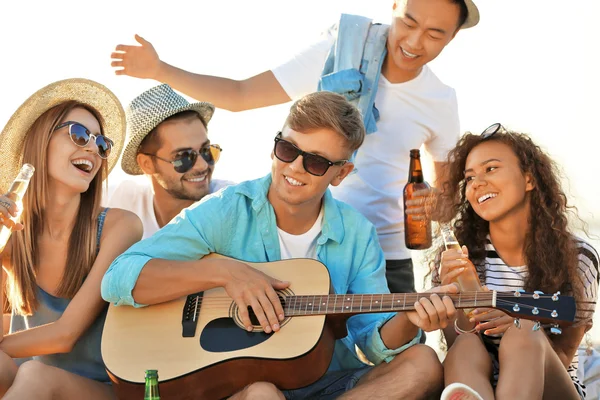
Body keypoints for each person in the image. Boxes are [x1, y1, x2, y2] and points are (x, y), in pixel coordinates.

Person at [102, 91, 461, 399]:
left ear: (341, 173)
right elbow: (118, 278)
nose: (296, 167)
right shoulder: (227, 209)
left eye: (317, 162)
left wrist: (410, 319)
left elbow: (372, 340)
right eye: (288, 149)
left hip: (334, 383)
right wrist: (223, 271)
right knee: (262, 394)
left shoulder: (357, 233)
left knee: (423, 363)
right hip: (248, 386)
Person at [109, 0, 480, 294]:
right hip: (301, 245)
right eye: (410, 23)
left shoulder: (441, 101)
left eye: (434, 34)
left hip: (385, 255)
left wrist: (433, 203)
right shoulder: (339, 53)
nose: (415, 42)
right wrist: (161, 70)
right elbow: (240, 95)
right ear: (395, 6)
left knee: (403, 362)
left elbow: (447, 199)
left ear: (451, 38)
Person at [430, 124, 599, 400]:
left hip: (551, 387)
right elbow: (456, 344)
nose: (477, 183)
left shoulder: (577, 256)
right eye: (469, 177)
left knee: (524, 333)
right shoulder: (455, 255)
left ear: (530, 179)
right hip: (481, 387)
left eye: (491, 168)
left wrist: (517, 322)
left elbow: (565, 354)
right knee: (464, 346)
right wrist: (461, 294)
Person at [0, 78, 143, 399]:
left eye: (101, 144)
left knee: (35, 375)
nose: (92, 148)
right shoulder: (12, 235)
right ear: (40, 142)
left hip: (101, 388)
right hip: (28, 378)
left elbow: (66, 335)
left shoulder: (120, 226)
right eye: (79, 135)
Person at [105, 84, 233, 239]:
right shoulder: (118, 201)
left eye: (206, 151)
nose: (203, 165)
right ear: (146, 163)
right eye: (184, 157)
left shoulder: (233, 203)